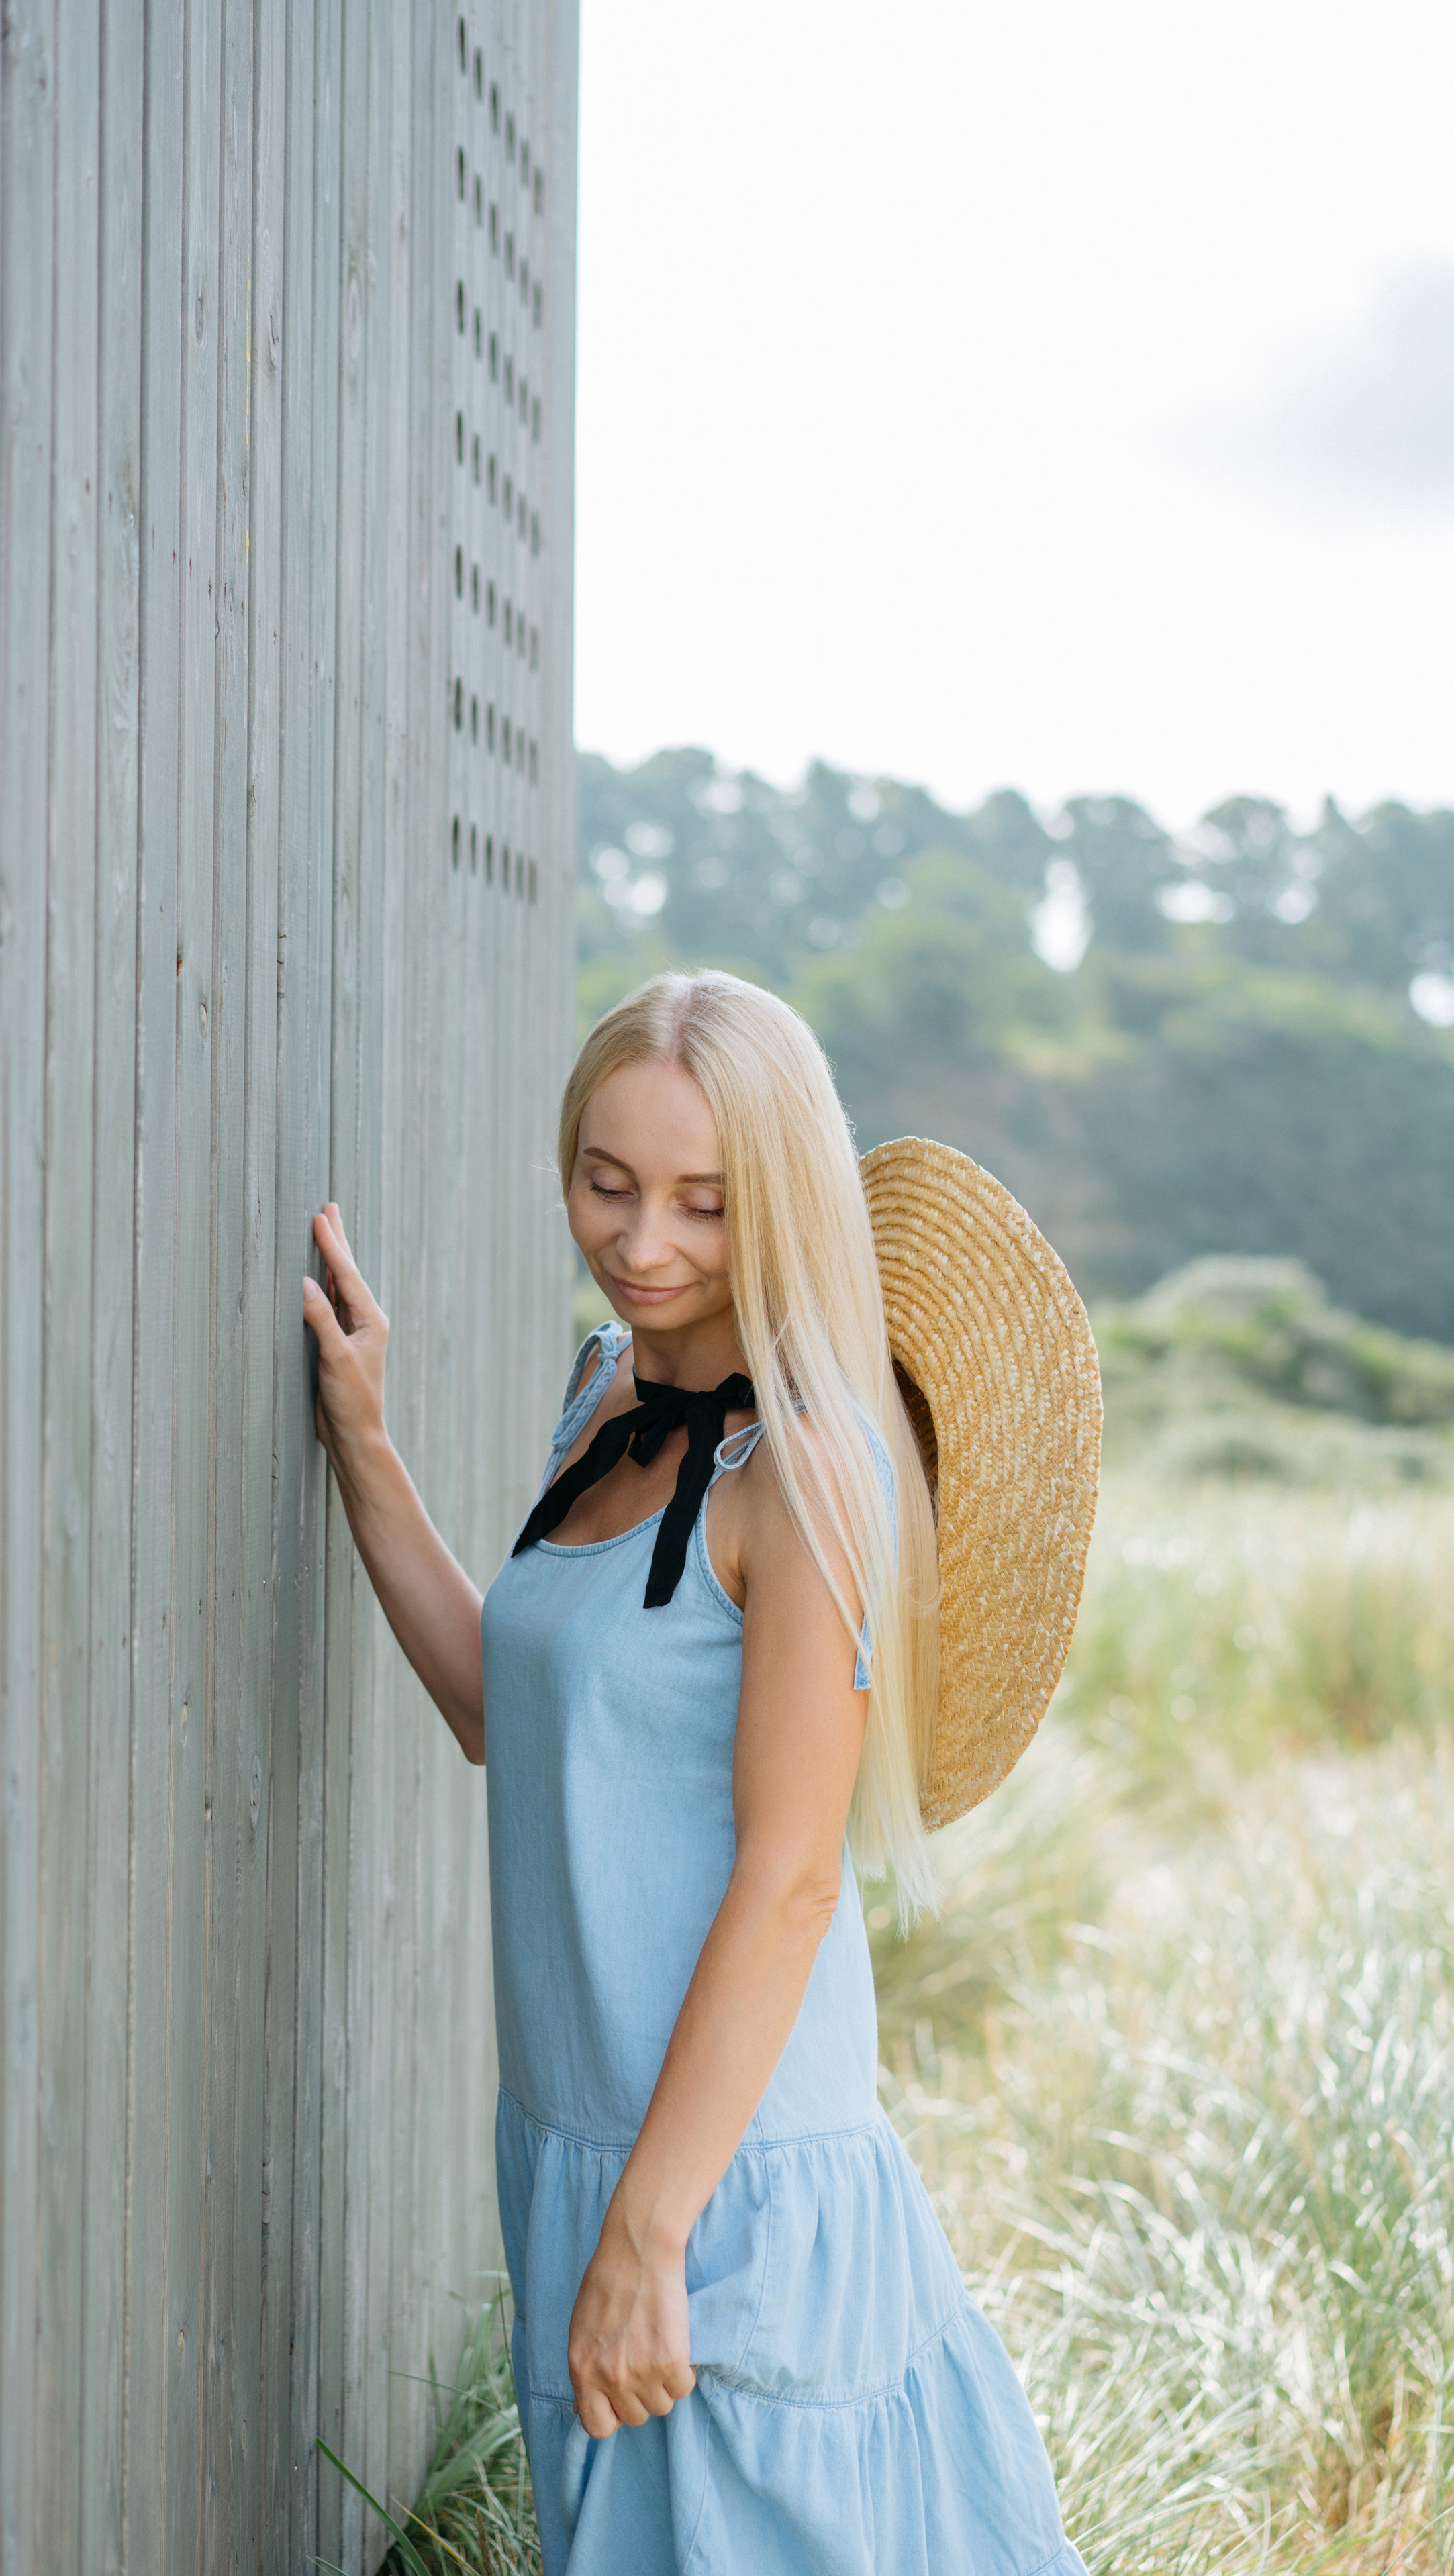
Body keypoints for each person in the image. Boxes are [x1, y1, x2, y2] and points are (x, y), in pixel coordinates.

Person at [303, 969, 1092, 2575]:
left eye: (702, 1204)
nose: (641, 1240)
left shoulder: (805, 1463)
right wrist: (364, 1446)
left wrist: (652, 2229)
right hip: (575, 2138)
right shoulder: (606, 1382)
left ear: (782, 1200)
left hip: (724, 2183)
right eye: (606, 1182)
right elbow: (497, 1713)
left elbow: (795, 1868)